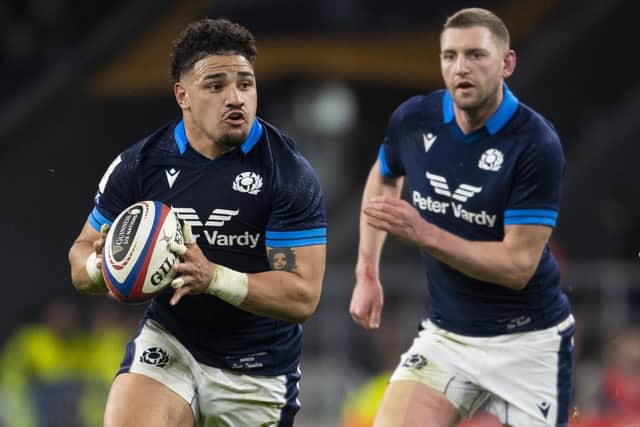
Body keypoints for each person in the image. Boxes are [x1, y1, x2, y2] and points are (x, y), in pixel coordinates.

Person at [68, 18, 327, 427]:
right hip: (173, 343)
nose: (235, 98)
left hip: (256, 370)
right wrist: (104, 267)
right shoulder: (142, 165)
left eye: (245, 83)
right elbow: (80, 255)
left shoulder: (288, 174)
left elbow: (302, 296)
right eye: (216, 86)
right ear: (182, 95)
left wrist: (213, 278)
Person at [349, 7, 574, 427]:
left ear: (507, 63)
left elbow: (517, 267)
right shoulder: (415, 119)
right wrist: (367, 272)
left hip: (529, 343)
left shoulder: (535, 143)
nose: (460, 68)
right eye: (449, 56)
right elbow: (383, 178)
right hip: (448, 336)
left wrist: (425, 233)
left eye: (475, 55)